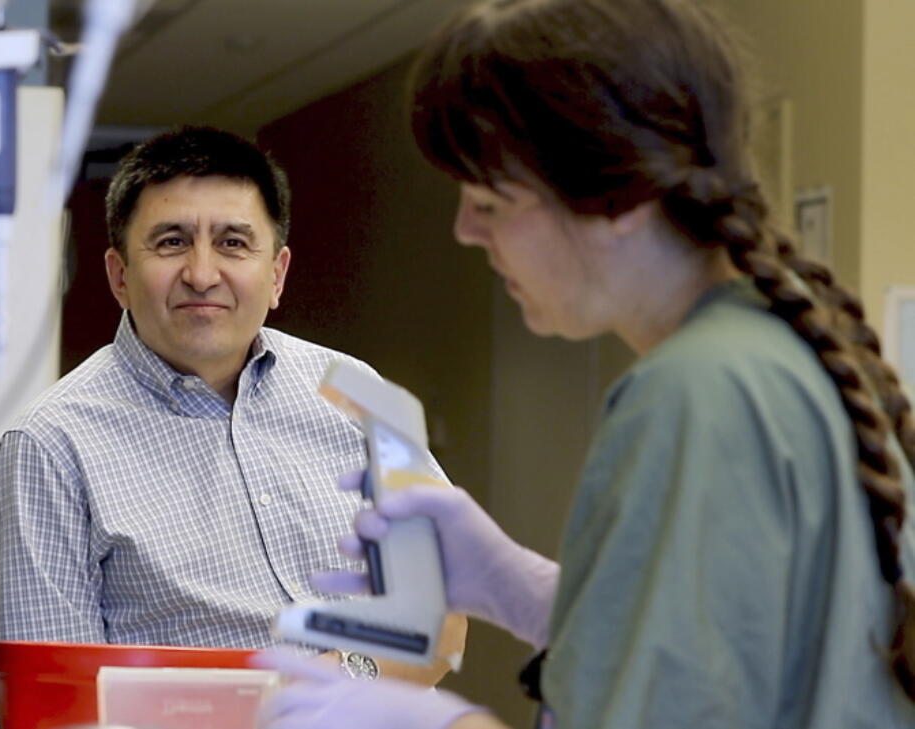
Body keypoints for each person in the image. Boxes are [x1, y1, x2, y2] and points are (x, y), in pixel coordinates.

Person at [256, 0, 915, 727]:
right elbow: (739, 655)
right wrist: (519, 585)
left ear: (616, 194)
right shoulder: (787, 353)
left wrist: (422, 721)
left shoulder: (692, 395)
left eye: (489, 197)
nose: (465, 229)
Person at [0, 126, 464, 684]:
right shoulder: (50, 445)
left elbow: (443, 609)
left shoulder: (355, 392)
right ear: (119, 275)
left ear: (277, 274)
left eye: (233, 243)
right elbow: (52, 699)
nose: (203, 273)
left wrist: (342, 678)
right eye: (171, 242)